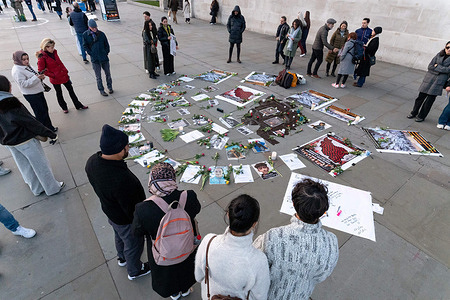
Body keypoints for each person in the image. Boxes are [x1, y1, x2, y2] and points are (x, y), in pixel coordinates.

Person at [253, 178, 339, 300]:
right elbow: (321, 275)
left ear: (293, 204)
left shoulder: (272, 237)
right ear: (323, 211)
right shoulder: (331, 242)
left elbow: (252, 266)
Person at [85, 124, 150, 281]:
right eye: (126, 146)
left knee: (119, 236)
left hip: (111, 212)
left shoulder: (93, 161)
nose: (128, 148)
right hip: (126, 220)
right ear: (119, 149)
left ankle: (121, 258)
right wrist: (140, 224)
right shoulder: (121, 180)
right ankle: (134, 270)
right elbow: (131, 209)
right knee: (133, 245)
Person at [133, 162, 201, 300]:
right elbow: (196, 210)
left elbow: (137, 231)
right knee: (186, 267)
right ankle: (186, 288)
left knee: (167, 274)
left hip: (162, 253)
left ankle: (174, 293)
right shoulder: (189, 196)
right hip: (187, 246)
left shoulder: (143, 208)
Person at [195, 194, 270, 300]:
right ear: (254, 224)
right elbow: (260, 297)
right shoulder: (258, 260)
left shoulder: (208, 242)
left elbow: (199, 276)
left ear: (228, 215)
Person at [0, 75, 64, 197]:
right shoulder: (10, 103)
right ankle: (52, 188)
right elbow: (29, 121)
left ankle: (36, 188)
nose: (11, 86)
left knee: (24, 166)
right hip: (25, 140)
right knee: (40, 165)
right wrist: (49, 133)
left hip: (9, 142)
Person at [37, 38, 88, 113]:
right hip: (55, 78)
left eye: (53, 47)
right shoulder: (42, 57)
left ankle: (78, 105)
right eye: (51, 47)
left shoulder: (54, 52)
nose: (53, 49)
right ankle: (64, 107)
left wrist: (65, 71)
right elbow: (41, 70)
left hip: (63, 75)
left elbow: (59, 63)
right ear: (46, 47)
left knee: (71, 91)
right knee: (59, 93)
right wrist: (53, 75)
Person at [12, 50, 57, 132]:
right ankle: (44, 131)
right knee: (40, 113)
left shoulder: (26, 66)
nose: (26, 61)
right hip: (32, 95)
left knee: (44, 110)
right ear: (18, 60)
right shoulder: (17, 71)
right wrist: (36, 78)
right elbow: (24, 84)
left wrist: (39, 76)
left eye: (27, 58)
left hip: (37, 91)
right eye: (24, 59)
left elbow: (34, 74)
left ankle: (49, 127)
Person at [408, 41, 450, 122]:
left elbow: (448, 70)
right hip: (429, 79)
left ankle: (421, 116)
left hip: (438, 82)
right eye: (447, 47)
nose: (449, 49)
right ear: (445, 47)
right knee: (420, 98)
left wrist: (437, 66)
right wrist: (442, 69)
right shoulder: (439, 54)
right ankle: (414, 112)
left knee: (429, 101)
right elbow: (430, 66)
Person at [83, 19, 113, 96]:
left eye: (95, 27)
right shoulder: (85, 35)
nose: (95, 29)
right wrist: (91, 53)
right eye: (93, 28)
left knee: (108, 74)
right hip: (95, 59)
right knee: (98, 76)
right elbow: (85, 46)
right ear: (89, 27)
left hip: (104, 57)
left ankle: (110, 87)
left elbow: (106, 44)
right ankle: (101, 90)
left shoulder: (101, 34)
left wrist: (106, 52)